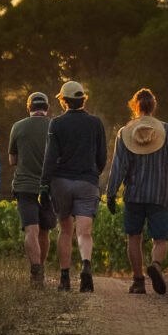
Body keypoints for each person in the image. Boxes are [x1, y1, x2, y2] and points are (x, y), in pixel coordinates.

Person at [105, 88, 168, 295]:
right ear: (153, 106)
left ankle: (138, 281)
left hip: (133, 195)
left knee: (134, 237)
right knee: (160, 238)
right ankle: (156, 265)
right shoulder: (167, 130)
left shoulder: (124, 132)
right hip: (159, 194)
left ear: (135, 106)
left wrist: (112, 192)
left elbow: (118, 166)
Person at [40, 79, 106, 293]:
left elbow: (50, 158)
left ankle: (65, 278)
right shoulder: (95, 123)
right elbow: (102, 157)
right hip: (87, 182)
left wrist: (44, 185)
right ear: (83, 100)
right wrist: (93, 172)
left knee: (66, 230)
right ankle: (86, 265)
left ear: (64, 101)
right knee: (85, 232)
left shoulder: (56, 124)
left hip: (62, 182)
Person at [6, 91, 55, 284]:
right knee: (45, 231)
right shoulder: (54, 126)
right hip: (48, 187)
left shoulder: (17, 127)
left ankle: (35, 270)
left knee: (30, 230)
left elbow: (12, 160)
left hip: (25, 186)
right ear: (47, 108)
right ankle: (40, 269)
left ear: (29, 108)